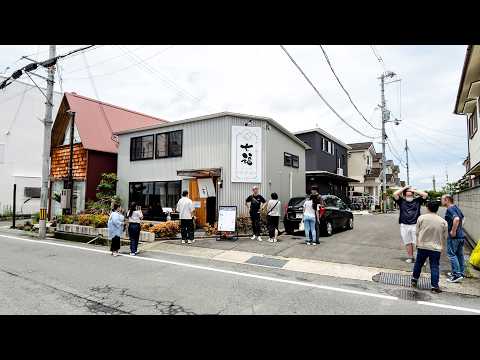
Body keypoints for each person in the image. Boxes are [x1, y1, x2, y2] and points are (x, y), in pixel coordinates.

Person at [411, 200, 448, 293]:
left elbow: (416, 232)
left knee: (418, 263)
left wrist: (417, 243)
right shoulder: (443, 221)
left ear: (427, 208)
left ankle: (414, 280)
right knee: (434, 266)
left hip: (422, 245)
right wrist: (442, 247)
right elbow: (445, 236)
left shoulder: (421, 218)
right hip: (436, 248)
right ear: (437, 209)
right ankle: (434, 286)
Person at [393, 185, 428, 263]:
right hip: (404, 225)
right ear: (404, 195)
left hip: (415, 225)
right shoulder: (401, 201)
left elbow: (425, 195)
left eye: (411, 195)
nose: (409, 196)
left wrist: (413, 190)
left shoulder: (417, 201)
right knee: (407, 242)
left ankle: (421, 259)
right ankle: (411, 257)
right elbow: (395, 194)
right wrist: (405, 188)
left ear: (413, 195)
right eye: (408, 195)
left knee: (417, 243)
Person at [441, 194, 466, 283]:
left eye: (442, 199)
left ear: (447, 200)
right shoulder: (456, 207)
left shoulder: (450, 209)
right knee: (459, 255)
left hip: (454, 237)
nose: (441, 201)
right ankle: (461, 273)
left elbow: (456, 219)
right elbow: (463, 218)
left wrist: (453, 231)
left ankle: (456, 275)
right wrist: (459, 229)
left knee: (451, 254)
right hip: (461, 236)